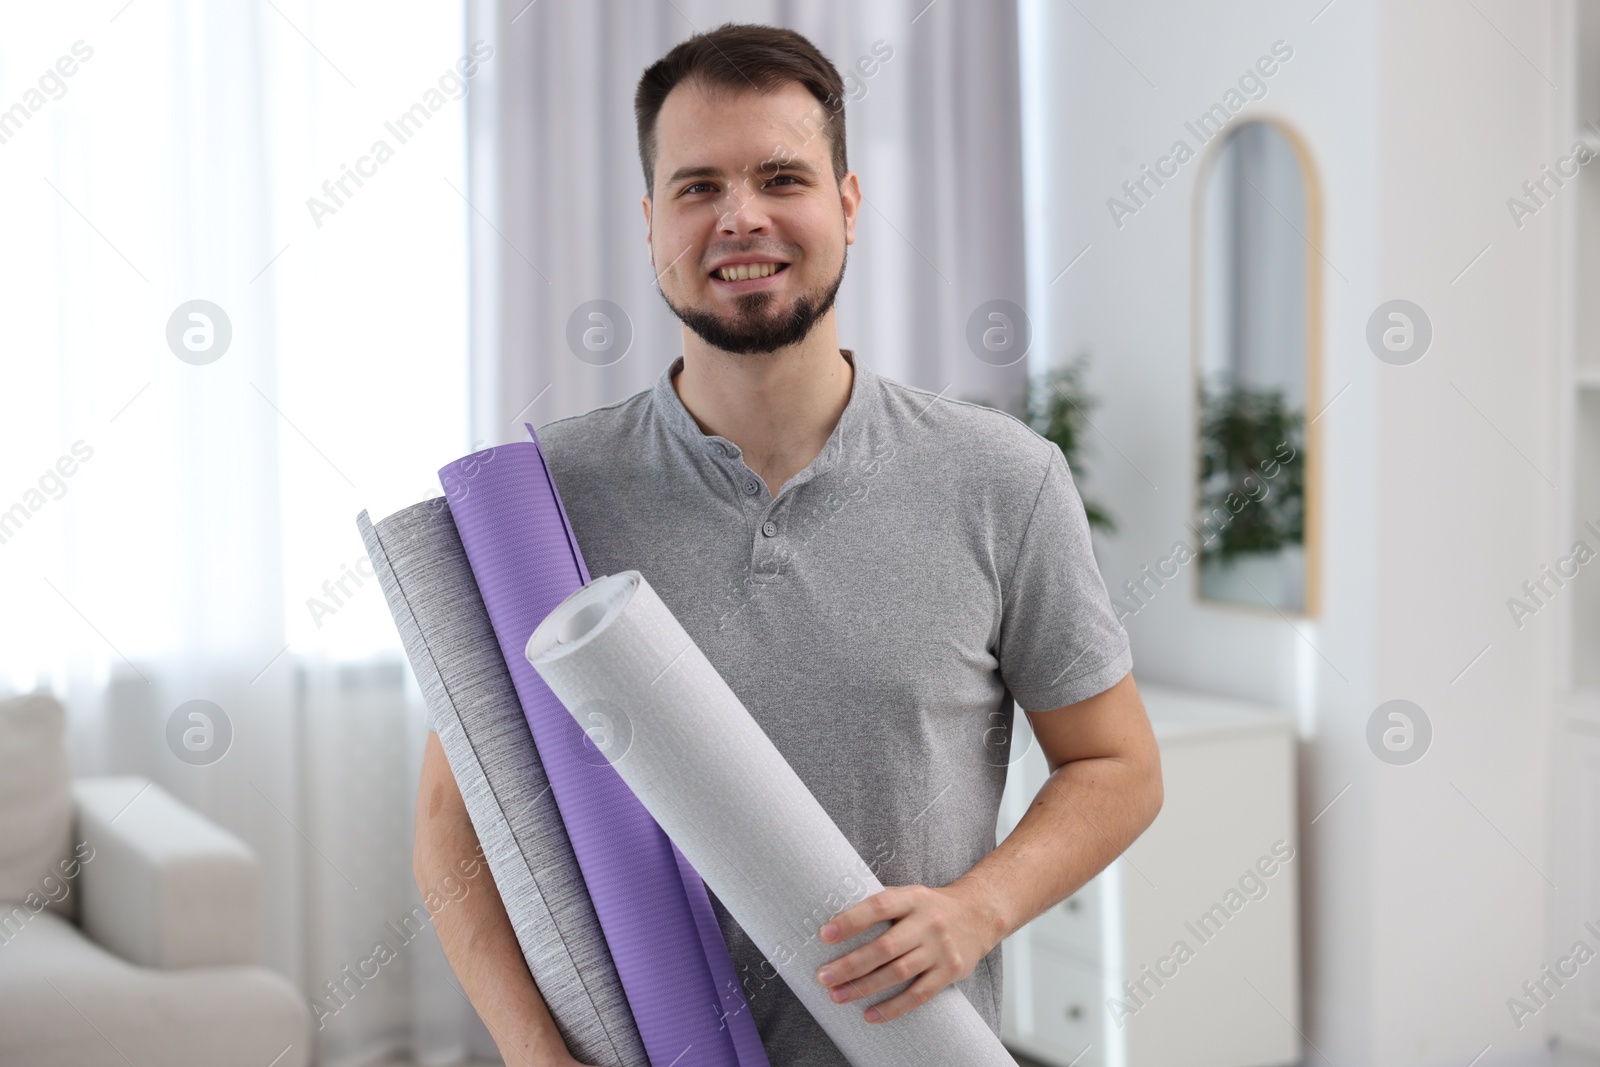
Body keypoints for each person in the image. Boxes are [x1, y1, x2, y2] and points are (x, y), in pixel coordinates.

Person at [413, 22, 1163, 1067]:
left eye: (781, 176)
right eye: (696, 187)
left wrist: (978, 908)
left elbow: (1117, 763)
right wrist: (530, 1047)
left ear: (848, 206)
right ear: (649, 225)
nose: (741, 217)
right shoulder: (550, 499)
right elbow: (457, 814)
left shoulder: (1002, 477)